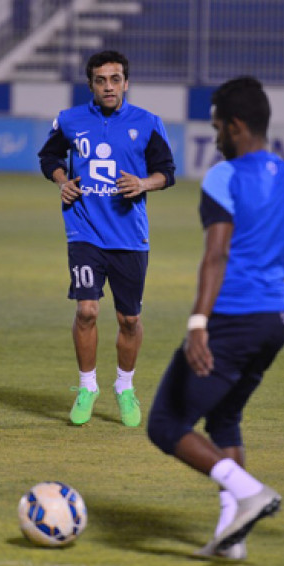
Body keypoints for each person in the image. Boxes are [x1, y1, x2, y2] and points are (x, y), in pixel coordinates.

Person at [146, 76, 284, 560]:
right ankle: (232, 538)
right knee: (224, 419)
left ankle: (248, 493)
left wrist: (198, 323)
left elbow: (216, 255)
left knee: (165, 423)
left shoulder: (224, 178)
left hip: (232, 318)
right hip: (275, 323)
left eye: (217, 128)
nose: (215, 137)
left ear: (237, 126)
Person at [38, 50, 176, 428]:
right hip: (84, 230)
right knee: (87, 310)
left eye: (115, 79)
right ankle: (87, 387)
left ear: (126, 83)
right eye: (101, 81)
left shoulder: (147, 124)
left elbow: (167, 172)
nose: (109, 87)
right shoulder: (70, 120)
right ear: (91, 86)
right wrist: (63, 182)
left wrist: (144, 183)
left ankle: (125, 387)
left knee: (129, 319)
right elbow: (48, 157)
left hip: (130, 236)